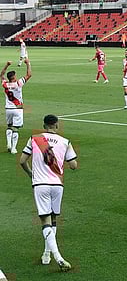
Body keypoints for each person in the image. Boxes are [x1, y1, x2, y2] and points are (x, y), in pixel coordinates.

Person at [19, 114, 77, 271]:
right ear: (57, 126)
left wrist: (32, 174)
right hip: (57, 185)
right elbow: (73, 165)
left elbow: (22, 161)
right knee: (53, 219)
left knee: (45, 220)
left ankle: (57, 257)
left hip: (40, 184)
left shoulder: (34, 139)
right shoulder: (65, 142)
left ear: (44, 126)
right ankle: (46, 253)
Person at [1, 58, 31, 154]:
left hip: (8, 108)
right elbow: (29, 75)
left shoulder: (5, 84)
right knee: (16, 129)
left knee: (9, 127)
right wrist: (28, 63)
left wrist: (7, 65)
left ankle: (8, 143)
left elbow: (1, 75)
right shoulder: (18, 83)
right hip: (18, 108)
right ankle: (13, 148)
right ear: (14, 77)